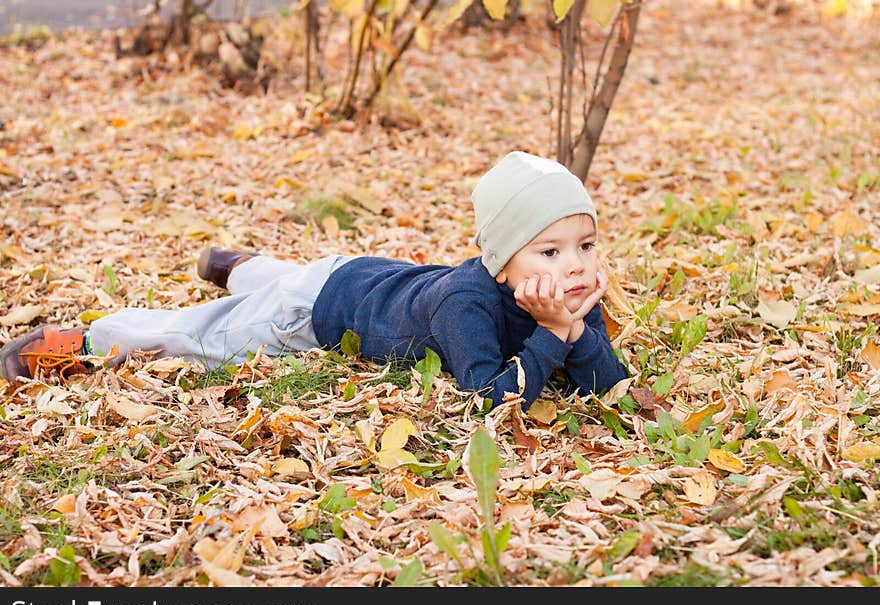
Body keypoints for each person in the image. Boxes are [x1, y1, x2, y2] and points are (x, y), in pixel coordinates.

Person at [0, 151, 628, 409]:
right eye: (548, 250)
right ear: (501, 261)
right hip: (316, 311)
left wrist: (573, 326)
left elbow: (608, 385)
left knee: (286, 280)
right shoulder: (466, 302)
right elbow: (489, 396)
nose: (573, 264)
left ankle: (242, 269)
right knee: (207, 336)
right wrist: (553, 335)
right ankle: (90, 339)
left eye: (585, 245)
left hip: (361, 277)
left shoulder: (570, 292)